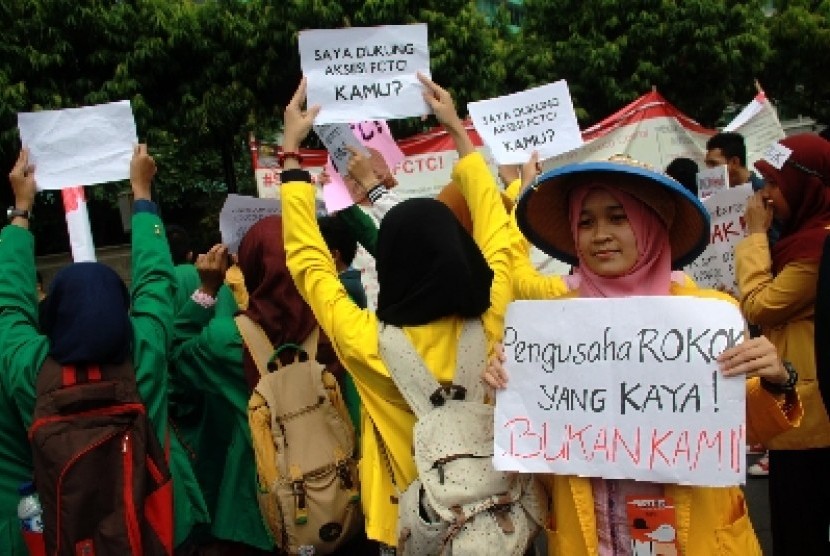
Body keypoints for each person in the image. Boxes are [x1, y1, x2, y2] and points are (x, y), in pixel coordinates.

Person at [484, 155, 802, 555]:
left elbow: (744, 428)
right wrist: (508, 387)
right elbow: (537, 446)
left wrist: (775, 381)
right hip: (593, 535)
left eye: (618, 217)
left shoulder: (705, 317)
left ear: (651, 223)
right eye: (586, 222)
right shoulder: (552, 324)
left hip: (695, 534)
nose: (599, 235)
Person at [281, 75, 512, 551]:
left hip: (409, 524)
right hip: (498, 520)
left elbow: (308, 263)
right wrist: (458, 132)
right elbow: (498, 229)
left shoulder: (365, 340)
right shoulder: (495, 316)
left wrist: (291, 155)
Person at [0, 145, 207, 552]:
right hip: (154, 532)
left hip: (65, 535)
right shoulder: (143, 351)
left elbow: (10, 302)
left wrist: (20, 211)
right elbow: (154, 283)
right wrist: (142, 194)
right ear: (121, 307)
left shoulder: (28, 366)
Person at [735, 133, 830, 555]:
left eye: (775, 184)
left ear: (806, 185)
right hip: (795, 402)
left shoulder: (817, 247)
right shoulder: (801, 237)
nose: (766, 196)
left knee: (800, 529)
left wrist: (754, 237)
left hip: (810, 414)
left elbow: (761, 305)